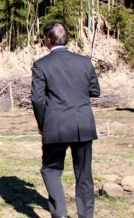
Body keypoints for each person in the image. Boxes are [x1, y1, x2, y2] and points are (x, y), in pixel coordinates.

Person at [31, 22, 100, 218]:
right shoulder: (84, 62)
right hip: (83, 124)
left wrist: (43, 124)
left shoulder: (41, 65)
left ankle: (60, 213)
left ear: (48, 40)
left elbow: (37, 99)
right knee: (84, 175)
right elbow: (95, 91)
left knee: (51, 170)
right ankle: (86, 215)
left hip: (56, 124)